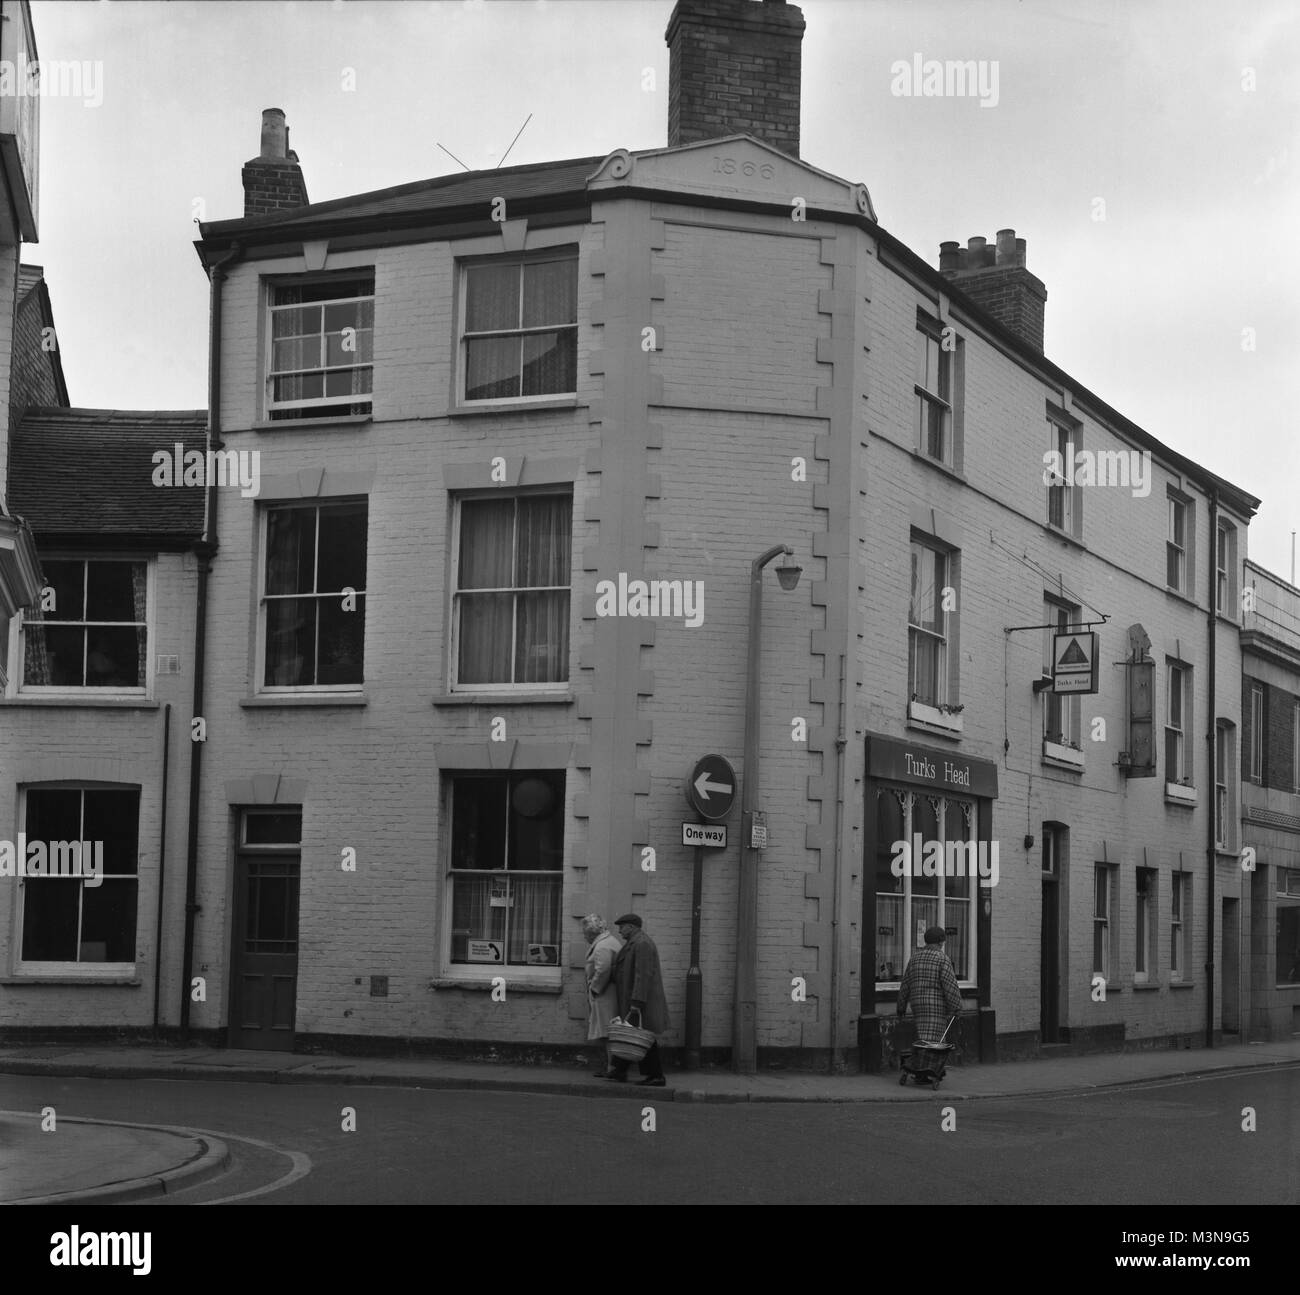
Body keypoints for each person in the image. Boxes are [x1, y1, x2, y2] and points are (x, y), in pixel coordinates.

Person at [606, 913, 670, 1086]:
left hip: (641, 1001)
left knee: (643, 1037)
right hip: (634, 998)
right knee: (630, 1033)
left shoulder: (642, 944)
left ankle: (656, 1076)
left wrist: (637, 1002)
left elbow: (643, 975)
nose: (619, 931)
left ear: (632, 927)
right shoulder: (634, 943)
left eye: (622, 927)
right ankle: (619, 1071)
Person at [896, 925, 963, 1047]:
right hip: (935, 1005)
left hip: (917, 1004)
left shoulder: (914, 958)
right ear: (941, 942)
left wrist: (901, 1007)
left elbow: (905, 984)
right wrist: (957, 1007)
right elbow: (950, 986)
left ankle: (921, 1061)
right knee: (935, 1041)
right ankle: (931, 1064)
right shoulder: (942, 959)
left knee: (922, 1037)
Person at [582, 914, 623, 1078]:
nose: (584, 937)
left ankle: (613, 1069)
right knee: (608, 1032)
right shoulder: (607, 942)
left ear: (591, 933)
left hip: (605, 995)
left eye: (585, 933)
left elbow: (603, 969)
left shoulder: (603, 946)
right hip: (608, 993)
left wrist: (594, 988)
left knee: (608, 1032)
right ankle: (611, 1067)